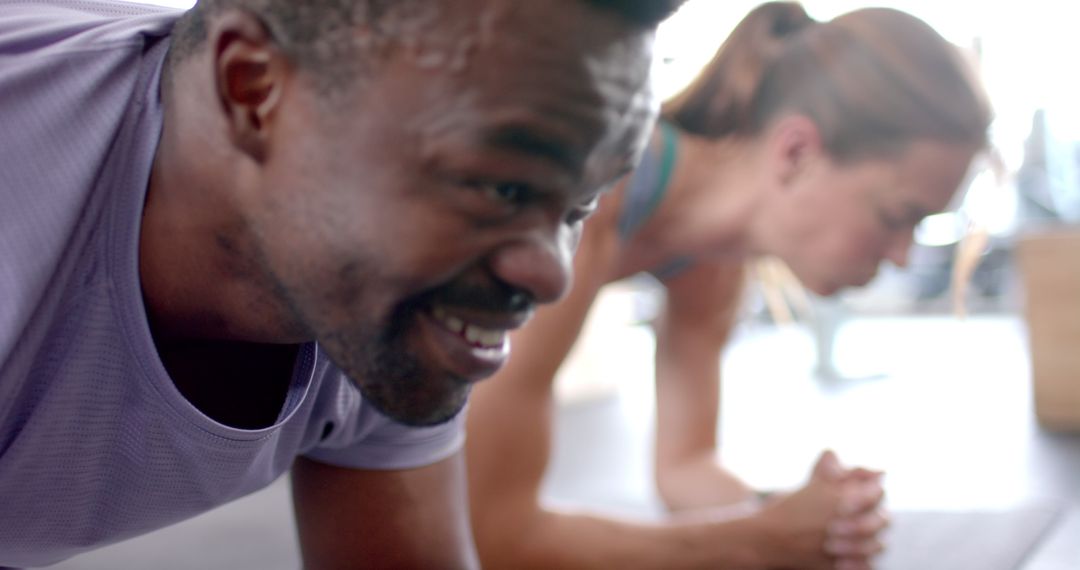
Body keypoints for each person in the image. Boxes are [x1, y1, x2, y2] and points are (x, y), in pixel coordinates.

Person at [0, 0, 686, 567]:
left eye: (577, 208)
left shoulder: (381, 299)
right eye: (502, 188)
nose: (552, 275)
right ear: (254, 91)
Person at [466, 3, 992, 569]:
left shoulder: (710, 263)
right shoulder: (589, 201)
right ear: (796, 152)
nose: (903, 255)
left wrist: (804, 517)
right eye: (897, 215)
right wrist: (760, 539)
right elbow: (492, 533)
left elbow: (685, 468)